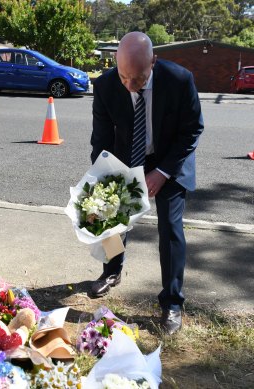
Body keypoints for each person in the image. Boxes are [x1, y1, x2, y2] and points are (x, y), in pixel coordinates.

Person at [90, 32, 204, 335]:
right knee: (110, 219)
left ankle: (172, 302)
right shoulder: (105, 85)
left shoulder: (179, 80)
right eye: (123, 76)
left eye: (137, 79)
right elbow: (101, 138)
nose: (128, 85)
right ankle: (112, 271)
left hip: (169, 160)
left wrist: (163, 171)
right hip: (127, 157)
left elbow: (192, 130)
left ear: (153, 62)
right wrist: (102, 182)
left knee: (170, 227)